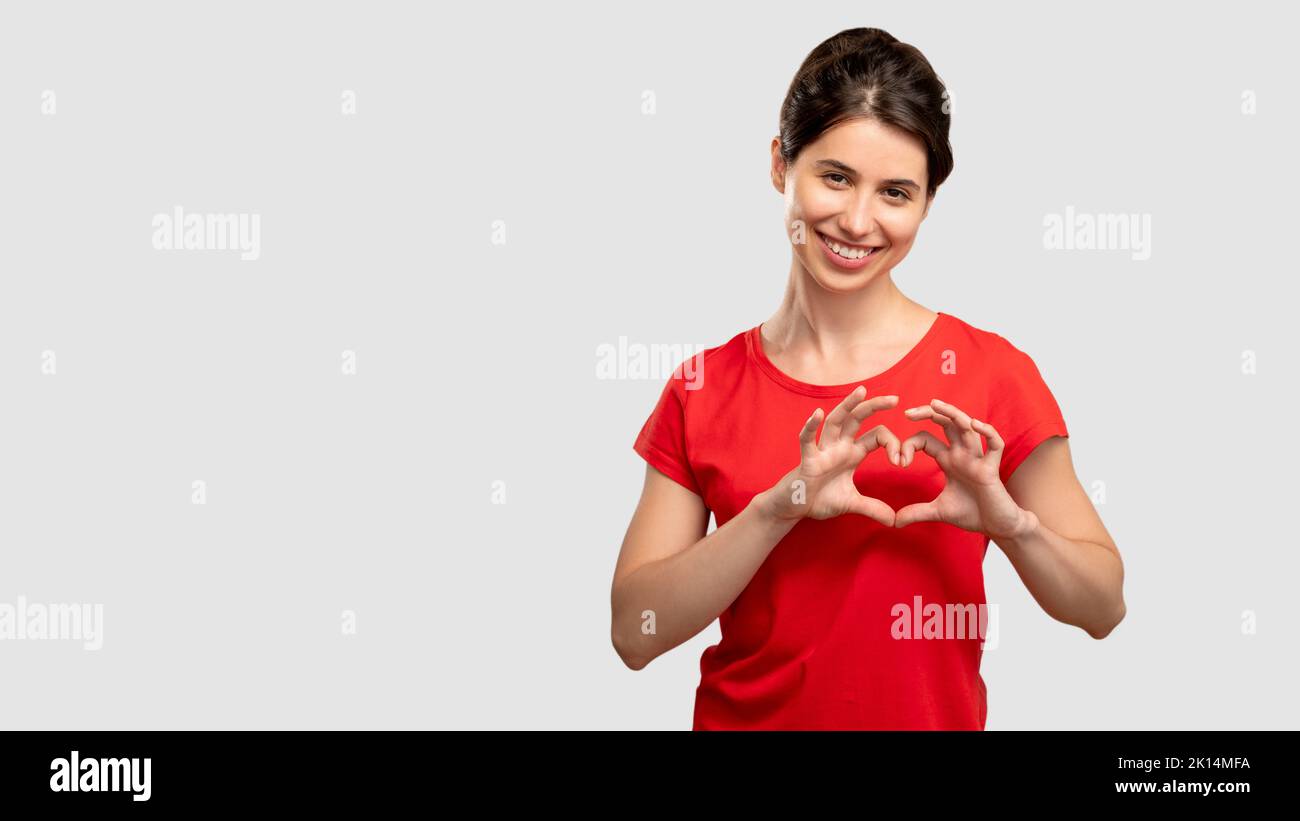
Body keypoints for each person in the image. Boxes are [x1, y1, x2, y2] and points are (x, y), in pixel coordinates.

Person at [610, 27, 1125, 730]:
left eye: (896, 192)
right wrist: (776, 508)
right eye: (835, 176)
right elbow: (635, 634)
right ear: (778, 163)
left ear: (928, 203)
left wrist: (1012, 525)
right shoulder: (702, 388)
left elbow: (1103, 608)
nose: (857, 220)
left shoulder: (994, 374)